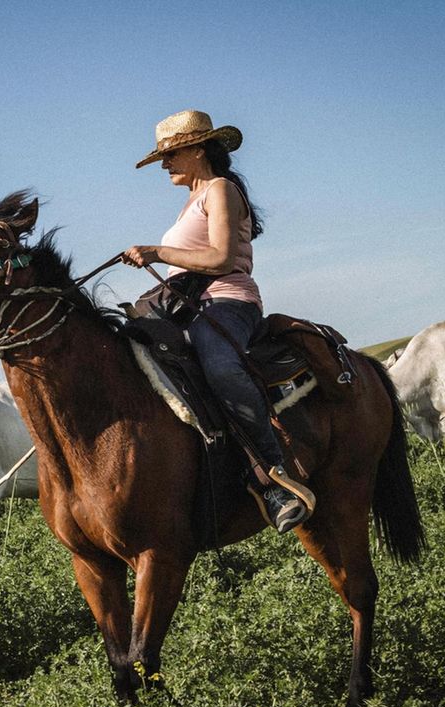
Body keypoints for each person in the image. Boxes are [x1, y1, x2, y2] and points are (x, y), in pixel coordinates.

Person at [120, 109, 313, 533]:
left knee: (219, 366)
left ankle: (273, 478)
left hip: (227, 302)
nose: (165, 164)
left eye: (171, 155)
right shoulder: (190, 202)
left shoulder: (220, 189)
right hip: (186, 305)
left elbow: (222, 259)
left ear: (199, 149)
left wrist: (158, 253)